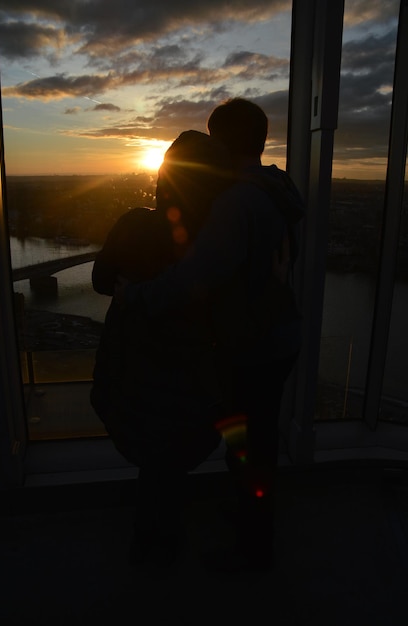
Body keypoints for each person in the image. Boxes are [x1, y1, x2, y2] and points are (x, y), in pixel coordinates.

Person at [115, 98, 306, 572]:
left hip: (251, 348)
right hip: (279, 335)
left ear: (221, 142)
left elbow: (195, 277)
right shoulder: (277, 188)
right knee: (256, 443)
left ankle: (253, 544)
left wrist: (133, 296)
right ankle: (249, 517)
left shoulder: (236, 201)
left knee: (248, 451)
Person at [90, 130, 234, 568]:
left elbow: (99, 281)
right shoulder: (214, 243)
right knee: (171, 451)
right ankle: (163, 537)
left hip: (132, 364)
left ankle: (147, 537)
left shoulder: (135, 223)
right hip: (189, 370)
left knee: (151, 449)